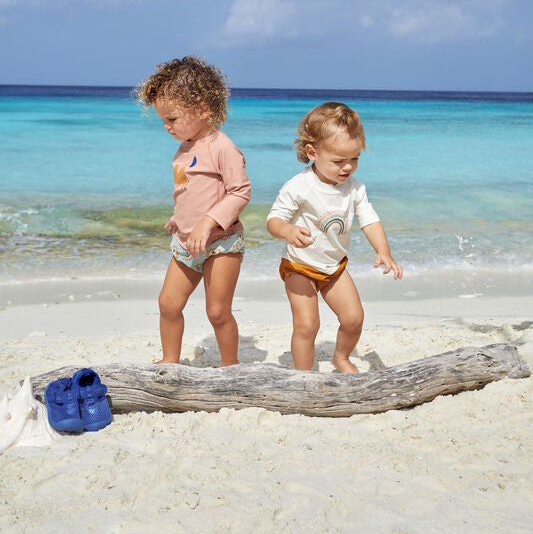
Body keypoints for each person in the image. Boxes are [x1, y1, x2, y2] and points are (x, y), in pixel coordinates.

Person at [267, 102, 402, 373]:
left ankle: (341, 357)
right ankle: (304, 376)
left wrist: (384, 251)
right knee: (307, 324)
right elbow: (273, 221)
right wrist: (288, 231)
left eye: (354, 159)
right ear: (312, 152)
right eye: (339, 161)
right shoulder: (299, 186)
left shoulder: (355, 189)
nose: (348, 167)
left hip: (334, 266)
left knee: (353, 318)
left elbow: (370, 221)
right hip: (299, 266)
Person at [135, 56, 251, 366]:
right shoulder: (183, 149)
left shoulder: (222, 146)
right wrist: (180, 216)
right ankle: (170, 360)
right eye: (163, 120)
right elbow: (185, 189)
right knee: (168, 303)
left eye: (171, 118)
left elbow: (240, 192)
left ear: (202, 109)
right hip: (186, 243)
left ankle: (231, 366)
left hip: (221, 243)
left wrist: (207, 222)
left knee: (217, 311)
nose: (166, 126)